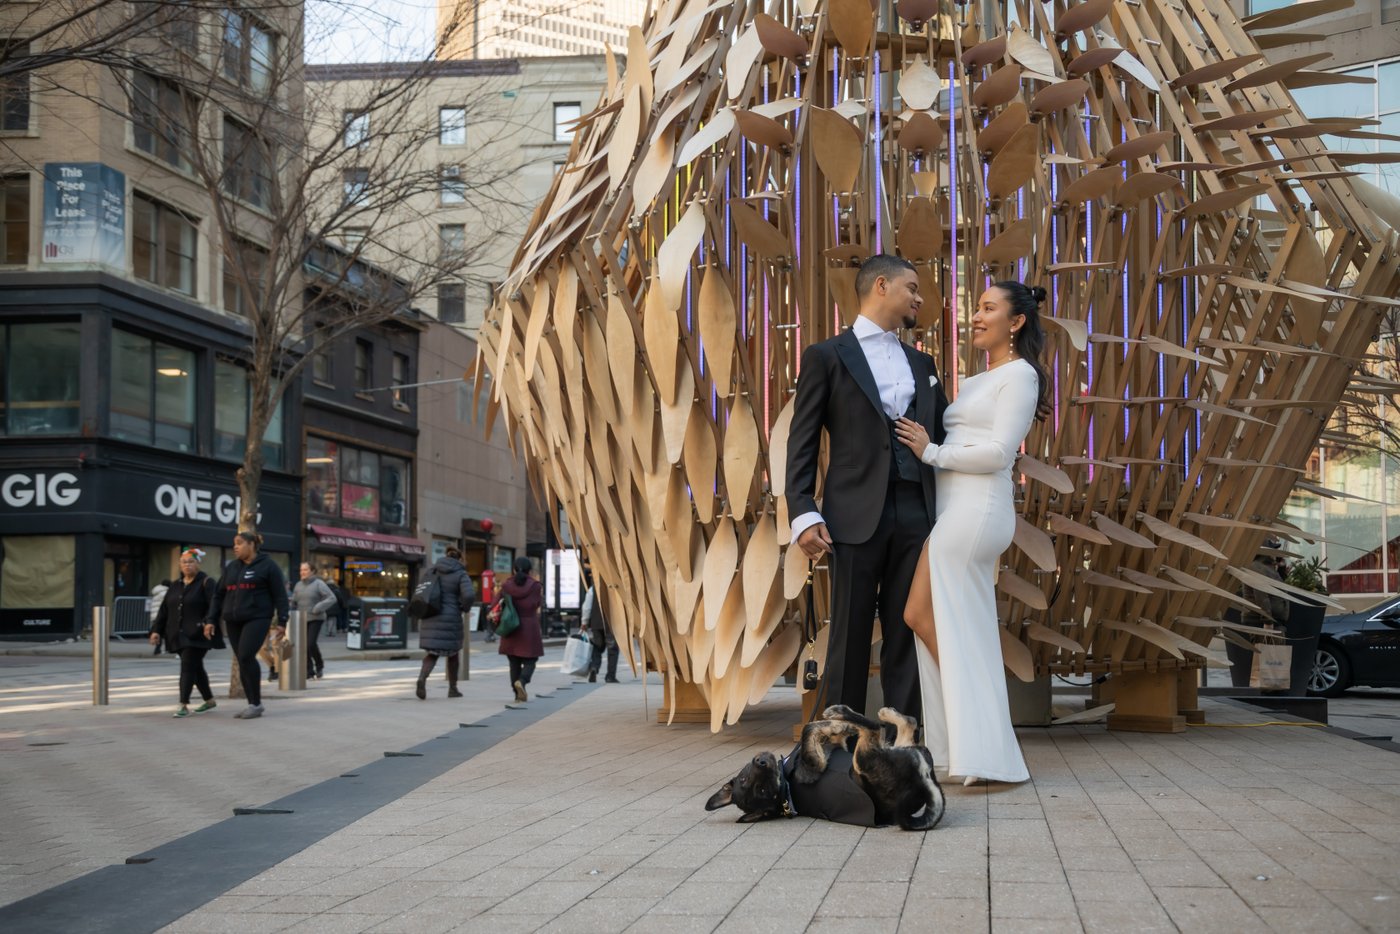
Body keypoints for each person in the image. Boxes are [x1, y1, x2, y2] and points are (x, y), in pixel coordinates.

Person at [894, 280, 1051, 786]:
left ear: (1016, 321)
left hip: (977, 511)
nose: (977, 316)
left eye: (989, 308)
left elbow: (1001, 453)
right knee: (924, 618)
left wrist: (931, 451)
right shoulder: (984, 378)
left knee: (932, 619)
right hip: (956, 510)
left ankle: (984, 743)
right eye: (977, 308)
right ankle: (965, 745)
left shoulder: (1020, 376)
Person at [785, 253, 949, 721]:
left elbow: (947, 428)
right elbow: (802, 441)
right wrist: (803, 512)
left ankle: (903, 751)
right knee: (849, 636)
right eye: (912, 288)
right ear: (881, 285)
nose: (919, 297)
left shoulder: (924, 362)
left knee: (907, 633)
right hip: (852, 516)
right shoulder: (826, 356)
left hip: (917, 512)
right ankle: (836, 751)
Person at [206, 531, 289, 719]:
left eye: (239, 543)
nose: (235, 547)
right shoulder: (232, 567)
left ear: (251, 544)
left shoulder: (268, 566)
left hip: (258, 618)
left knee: (245, 654)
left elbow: (280, 596)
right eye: (234, 543)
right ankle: (253, 704)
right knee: (242, 659)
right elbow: (219, 594)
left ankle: (256, 703)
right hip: (233, 620)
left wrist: (282, 622)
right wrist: (211, 619)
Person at [149, 549, 221, 717]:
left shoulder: (207, 582)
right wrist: (156, 631)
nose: (187, 565)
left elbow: (215, 606)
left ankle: (183, 704)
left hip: (199, 633)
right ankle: (209, 700)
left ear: (198, 563)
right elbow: (164, 610)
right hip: (177, 634)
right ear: (180, 565)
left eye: (191, 561)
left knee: (187, 666)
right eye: (184, 562)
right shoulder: (175, 585)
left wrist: (209, 622)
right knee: (196, 668)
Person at [415, 547, 476, 699]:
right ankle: (453, 689)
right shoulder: (460, 573)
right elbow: (468, 595)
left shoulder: (433, 570)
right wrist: (464, 608)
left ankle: (422, 677)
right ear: (459, 559)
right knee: (453, 653)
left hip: (431, 614)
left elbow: (422, 590)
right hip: (451, 617)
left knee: (433, 653)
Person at [498, 556, 544, 702]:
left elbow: (496, 603)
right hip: (529, 626)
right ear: (530, 571)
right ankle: (522, 682)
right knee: (531, 659)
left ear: (513, 569)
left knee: (514, 661)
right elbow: (536, 604)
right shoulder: (536, 586)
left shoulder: (506, 585)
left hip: (510, 626)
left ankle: (517, 694)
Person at [291, 562, 337, 679]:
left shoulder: (319, 584)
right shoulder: (298, 585)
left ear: (312, 571)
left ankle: (319, 665)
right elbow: (294, 601)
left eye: (305, 570)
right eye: (301, 570)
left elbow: (332, 598)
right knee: (303, 645)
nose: (302, 572)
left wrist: (318, 607)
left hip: (316, 617)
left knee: (310, 643)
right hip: (301, 618)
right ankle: (309, 671)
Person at [582, 582, 619, 683]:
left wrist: (584, 622)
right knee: (613, 650)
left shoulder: (593, 588)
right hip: (612, 623)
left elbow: (587, 606)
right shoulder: (616, 586)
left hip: (596, 623)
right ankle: (610, 676)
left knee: (597, 647)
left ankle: (594, 667)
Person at [148, 579, 171, 655]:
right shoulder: (165, 593)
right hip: (163, 616)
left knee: (158, 632)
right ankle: (168, 648)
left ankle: (157, 649)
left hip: (154, 615)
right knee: (167, 632)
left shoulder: (156, 592)